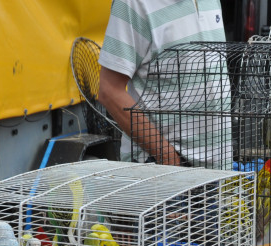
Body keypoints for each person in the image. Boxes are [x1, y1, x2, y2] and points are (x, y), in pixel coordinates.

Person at [97, 0, 229, 168]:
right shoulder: (132, 3)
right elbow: (109, 90)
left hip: (217, 168)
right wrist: (167, 157)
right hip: (162, 172)